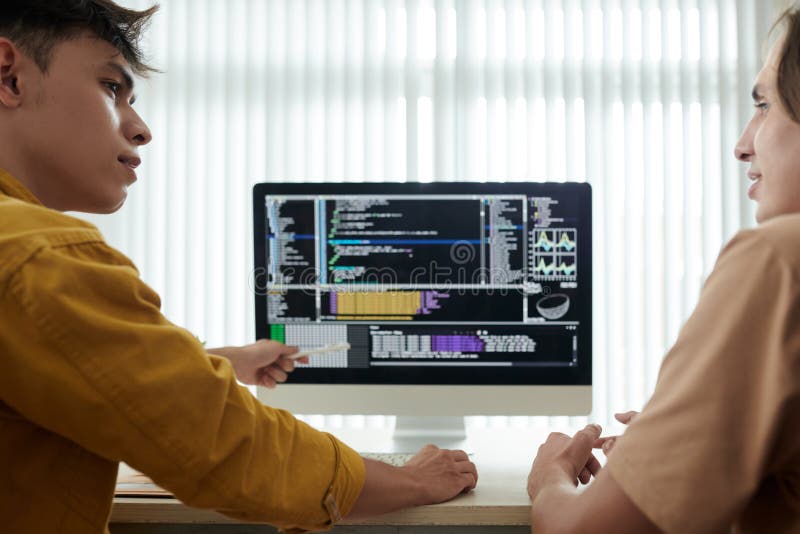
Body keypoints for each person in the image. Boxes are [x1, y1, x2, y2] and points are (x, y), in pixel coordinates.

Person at [0, 2, 477, 533]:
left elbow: (66, 375)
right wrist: (412, 482)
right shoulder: (35, 253)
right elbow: (224, 445)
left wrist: (213, 364)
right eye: (112, 88)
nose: (140, 130)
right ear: (9, 75)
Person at [525, 6, 800, 534]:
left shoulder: (778, 262)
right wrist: (664, 460)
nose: (743, 145)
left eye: (765, 105)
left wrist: (551, 480)